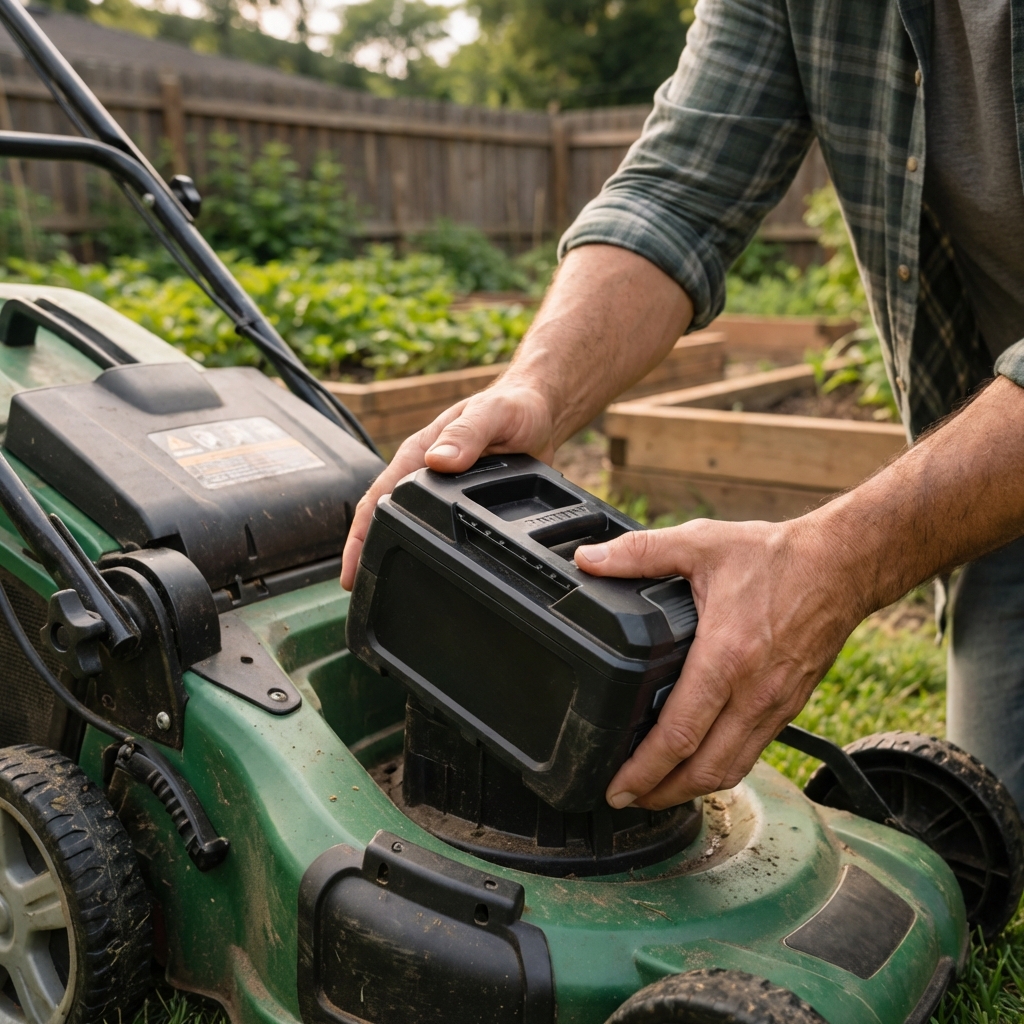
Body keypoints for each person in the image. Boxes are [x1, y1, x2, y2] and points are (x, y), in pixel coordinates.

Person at [342, 0, 1024, 816]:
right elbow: (675, 196)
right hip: (993, 471)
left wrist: (838, 561)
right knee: (1002, 809)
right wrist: (536, 389)